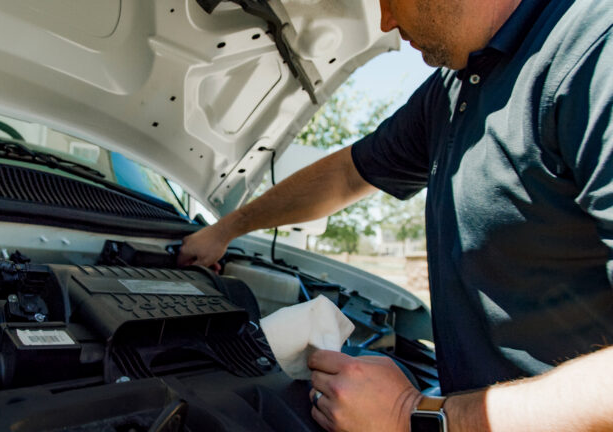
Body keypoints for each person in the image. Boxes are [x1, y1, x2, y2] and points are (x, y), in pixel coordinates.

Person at [178, 0, 613, 430]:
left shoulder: (594, 54)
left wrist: (414, 414)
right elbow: (347, 175)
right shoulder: (456, 88)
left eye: (390, 0)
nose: (385, 21)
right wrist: (226, 228)